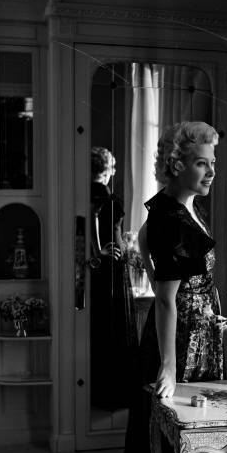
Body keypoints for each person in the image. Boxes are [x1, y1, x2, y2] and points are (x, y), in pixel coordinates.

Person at [117, 122, 227, 453]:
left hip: (194, 330)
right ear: (176, 166)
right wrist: (168, 366)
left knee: (194, 426)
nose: (211, 172)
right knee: (185, 425)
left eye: (213, 163)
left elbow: (142, 244)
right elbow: (165, 299)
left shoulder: (174, 207)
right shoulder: (170, 217)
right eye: (202, 163)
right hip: (181, 339)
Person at [89, 147, 137, 409]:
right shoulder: (108, 197)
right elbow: (108, 229)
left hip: (95, 267)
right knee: (114, 322)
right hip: (112, 264)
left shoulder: (82, 193)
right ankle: (113, 391)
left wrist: (96, 252)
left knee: (98, 323)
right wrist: (106, 250)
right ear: (107, 171)